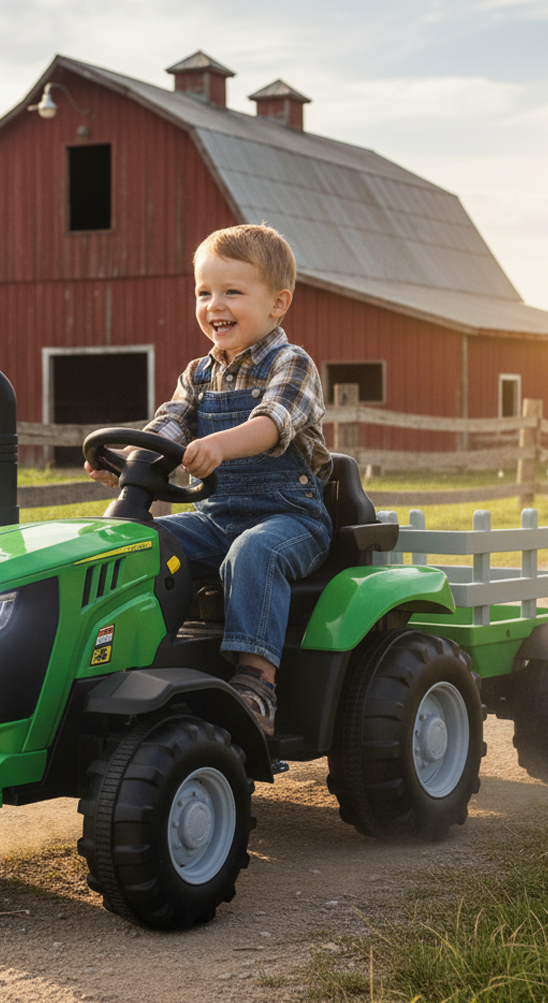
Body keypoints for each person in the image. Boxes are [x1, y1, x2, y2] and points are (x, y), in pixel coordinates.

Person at [86, 224, 332, 735]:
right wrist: (127, 464)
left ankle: (255, 684)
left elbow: (271, 425)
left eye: (232, 292)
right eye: (204, 292)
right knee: (140, 542)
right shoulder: (199, 374)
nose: (214, 304)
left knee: (254, 553)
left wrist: (218, 445)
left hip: (289, 516)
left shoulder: (292, 364)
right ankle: (141, 658)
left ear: (278, 303)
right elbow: (168, 425)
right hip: (217, 516)